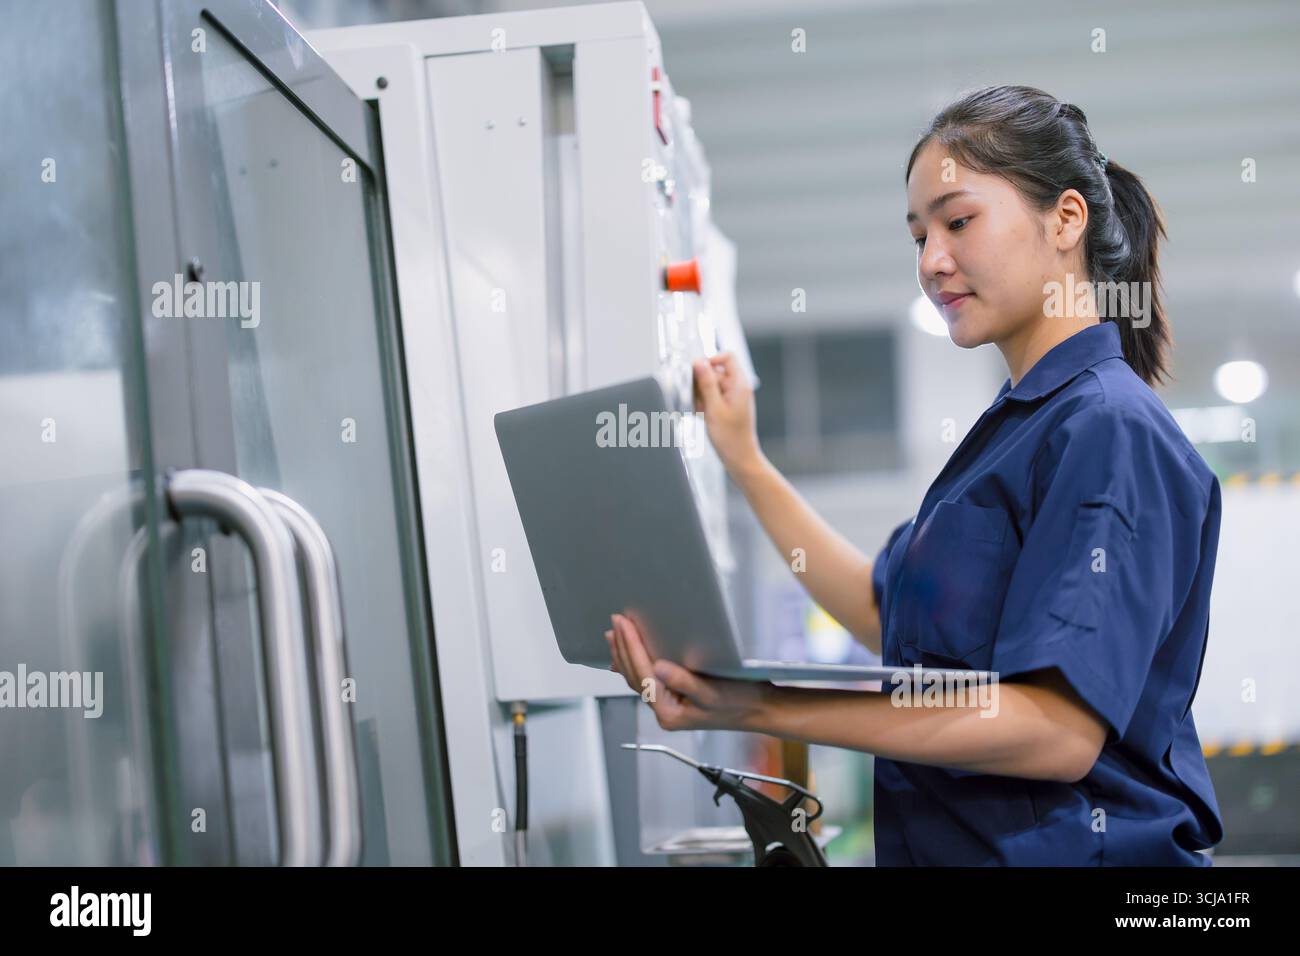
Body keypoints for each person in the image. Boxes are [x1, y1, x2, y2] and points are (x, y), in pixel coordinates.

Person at [605, 85, 1223, 866]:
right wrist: (745, 459)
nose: (932, 260)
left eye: (958, 221)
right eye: (918, 235)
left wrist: (756, 705)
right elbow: (879, 609)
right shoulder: (1016, 431)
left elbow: (1053, 730)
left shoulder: (1108, 428)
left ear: (1067, 219)